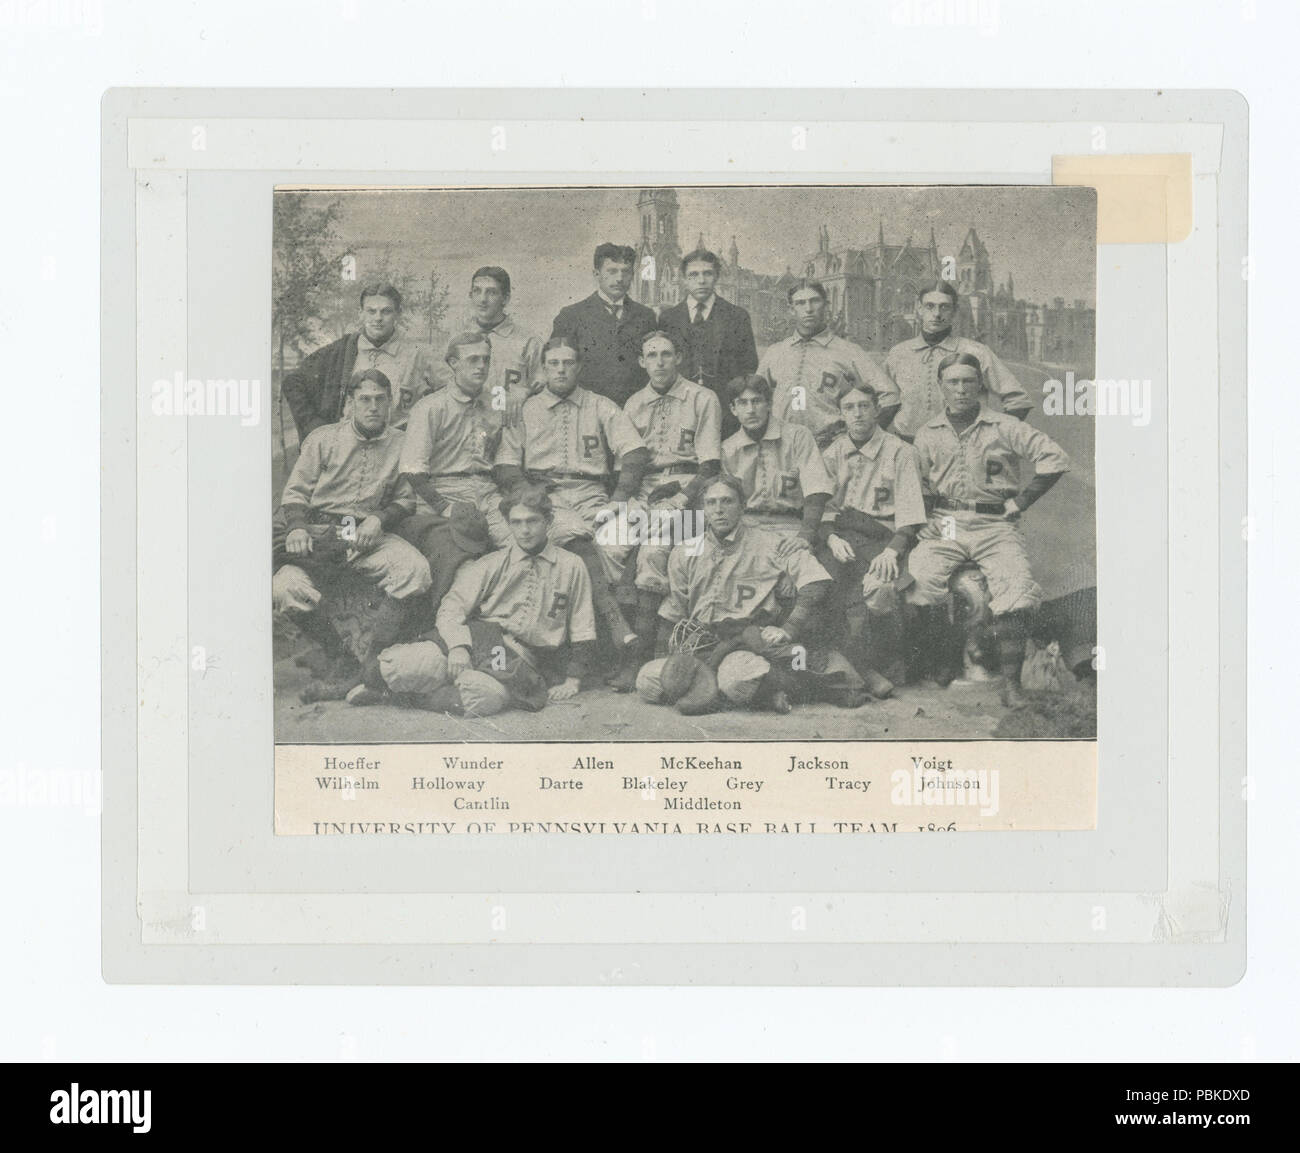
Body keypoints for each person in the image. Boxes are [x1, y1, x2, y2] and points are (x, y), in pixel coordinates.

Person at [904, 353, 1070, 708]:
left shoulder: (1004, 426)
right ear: (941, 387)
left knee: (1016, 586)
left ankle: (1011, 683)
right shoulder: (928, 432)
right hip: (947, 519)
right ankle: (945, 661)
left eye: (968, 381)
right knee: (920, 577)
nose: (961, 389)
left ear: (980, 385)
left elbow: (1054, 457)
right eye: (953, 382)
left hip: (994, 522)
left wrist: (1022, 501)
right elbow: (918, 486)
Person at [356, 488, 598, 715]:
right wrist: (458, 646)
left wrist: (573, 680)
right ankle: (399, 681)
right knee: (404, 665)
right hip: (476, 637)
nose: (525, 530)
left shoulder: (572, 565)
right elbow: (452, 607)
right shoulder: (493, 563)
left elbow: (582, 624)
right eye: (517, 522)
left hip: (517, 655)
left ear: (549, 521)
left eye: (532, 521)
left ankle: (400, 697)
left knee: (481, 697)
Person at [494, 335, 651, 681]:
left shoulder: (601, 405)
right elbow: (505, 466)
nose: (561, 370)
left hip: (593, 493)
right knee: (574, 541)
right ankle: (615, 627)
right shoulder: (527, 408)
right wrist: (531, 495)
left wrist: (619, 499)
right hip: (547, 496)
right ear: (543, 368)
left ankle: (616, 657)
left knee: (616, 545)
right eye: (553, 364)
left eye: (568, 363)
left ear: (579, 366)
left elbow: (635, 452)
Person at [652, 476, 868, 713]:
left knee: (736, 682)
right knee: (648, 683)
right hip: (702, 644)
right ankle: (748, 693)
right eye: (711, 503)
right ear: (703, 509)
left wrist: (788, 629)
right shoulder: (685, 551)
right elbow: (674, 608)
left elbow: (815, 580)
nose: (719, 510)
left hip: (747, 641)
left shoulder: (769, 542)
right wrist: (664, 659)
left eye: (727, 501)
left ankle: (777, 690)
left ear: (743, 506)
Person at [272, 369, 433, 686]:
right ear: (350, 404)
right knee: (283, 587)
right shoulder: (323, 439)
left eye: (380, 400)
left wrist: (379, 519)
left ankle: (374, 658)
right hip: (320, 535)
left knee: (416, 570)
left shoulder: (403, 443)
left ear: (390, 404)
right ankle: (339, 657)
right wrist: (297, 528)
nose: (373, 407)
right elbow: (295, 493)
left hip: (369, 537)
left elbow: (406, 499)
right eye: (364, 400)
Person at [616, 330, 723, 686]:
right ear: (641, 362)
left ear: (678, 357)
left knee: (653, 550)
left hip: (689, 490)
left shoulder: (702, 397)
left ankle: (643, 654)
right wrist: (629, 499)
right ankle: (618, 644)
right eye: (652, 355)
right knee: (607, 542)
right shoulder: (633, 403)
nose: (659, 362)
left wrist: (682, 499)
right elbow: (629, 464)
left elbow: (709, 466)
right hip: (647, 488)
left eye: (666, 354)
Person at [398, 331, 527, 606]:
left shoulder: (497, 401)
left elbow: (506, 459)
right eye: (472, 360)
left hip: (487, 492)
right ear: (453, 363)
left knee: (522, 545)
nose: (481, 366)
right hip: (444, 493)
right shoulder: (430, 407)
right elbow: (412, 470)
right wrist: (445, 508)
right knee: (461, 559)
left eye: (486, 359)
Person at [817, 383, 928, 697]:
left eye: (864, 406)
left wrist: (893, 550)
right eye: (849, 408)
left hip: (884, 537)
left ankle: (872, 667)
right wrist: (831, 539)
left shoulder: (900, 451)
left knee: (877, 589)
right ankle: (849, 669)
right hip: (843, 536)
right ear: (841, 414)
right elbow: (822, 508)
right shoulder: (833, 452)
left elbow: (910, 512)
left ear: (877, 410)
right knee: (823, 583)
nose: (857, 414)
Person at [883, 279, 1032, 441]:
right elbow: (880, 400)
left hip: (960, 452)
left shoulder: (976, 352)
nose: (937, 314)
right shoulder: (898, 353)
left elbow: (1019, 400)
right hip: (907, 450)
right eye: (930, 306)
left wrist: (995, 438)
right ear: (919, 309)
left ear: (954, 311)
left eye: (944, 307)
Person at [280, 282, 434, 438]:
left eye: (386, 311)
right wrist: (315, 427)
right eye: (371, 311)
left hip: (394, 450)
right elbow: (293, 382)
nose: (378, 318)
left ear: (398, 314)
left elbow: (450, 394)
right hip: (345, 449)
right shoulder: (342, 350)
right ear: (361, 313)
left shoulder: (417, 355)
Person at [758, 278, 897, 447]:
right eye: (800, 303)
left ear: (826, 305)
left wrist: (859, 438)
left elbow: (890, 396)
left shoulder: (848, 350)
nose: (808, 309)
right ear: (791, 310)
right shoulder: (776, 351)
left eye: (814, 301)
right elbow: (756, 396)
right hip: (782, 446)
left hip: (829, 448)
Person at [721, 374, 835, 552]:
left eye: (757, 401)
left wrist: (805, 536)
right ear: (733, 409)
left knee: (799, 565)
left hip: (790, 527)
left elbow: (817, 491)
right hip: (746, 528)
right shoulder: (728, 448)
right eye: (743, 403)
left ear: (769, 404)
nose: (751, 410)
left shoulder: (798, 436)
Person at [657, 247, 758, 437]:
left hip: (725, 417)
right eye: (694, 275)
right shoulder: (668, 319)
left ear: (717, 276)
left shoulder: (737, 316)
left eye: (708, 273)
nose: (701, 280)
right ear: (684, 280)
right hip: (680, 415)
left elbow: (749, 367)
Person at [550, 243, 658, 406]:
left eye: (626, 272)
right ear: (596, 274)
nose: (620, 278)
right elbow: (557, 367)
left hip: (635, 411)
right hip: (586, 410)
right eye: (612, 271)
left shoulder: (646, 316)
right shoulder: (571, 316)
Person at [434, 266, 543, 402]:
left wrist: (525, 392)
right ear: (470, 295)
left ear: (505, 298)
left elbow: (542, 389)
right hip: (464, 418)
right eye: (477, 291)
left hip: (509, 419)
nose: (482, 299)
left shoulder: (528, 341)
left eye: (491, 292)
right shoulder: (455, 337)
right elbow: (441, 384)